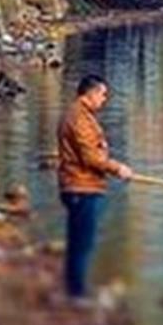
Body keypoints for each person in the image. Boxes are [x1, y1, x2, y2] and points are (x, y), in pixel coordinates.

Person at [57, 74, 132, 303]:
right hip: (82, 188)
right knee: (82, 244)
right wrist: (117, 168)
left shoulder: (80, 115)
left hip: (81, 186)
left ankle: (74, 290)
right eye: (103, 94)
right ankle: (77, 295)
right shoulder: (79, 118)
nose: (104, 99)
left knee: (79, 242)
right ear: (90, 93)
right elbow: (90, 156)